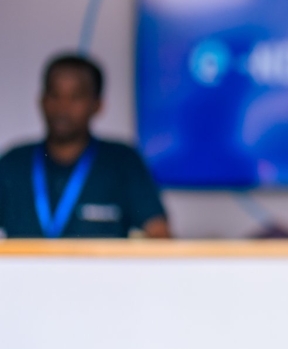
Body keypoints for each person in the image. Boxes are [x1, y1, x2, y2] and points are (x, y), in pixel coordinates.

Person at [0, 54, 170, 239]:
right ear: (42, 100)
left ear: (97, 105)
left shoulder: (122, 161)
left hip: (102, 269)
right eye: (54, 95)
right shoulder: (13, 162)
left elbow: (159, 234)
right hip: (24, 269)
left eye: (75, 97)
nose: (62, 107)